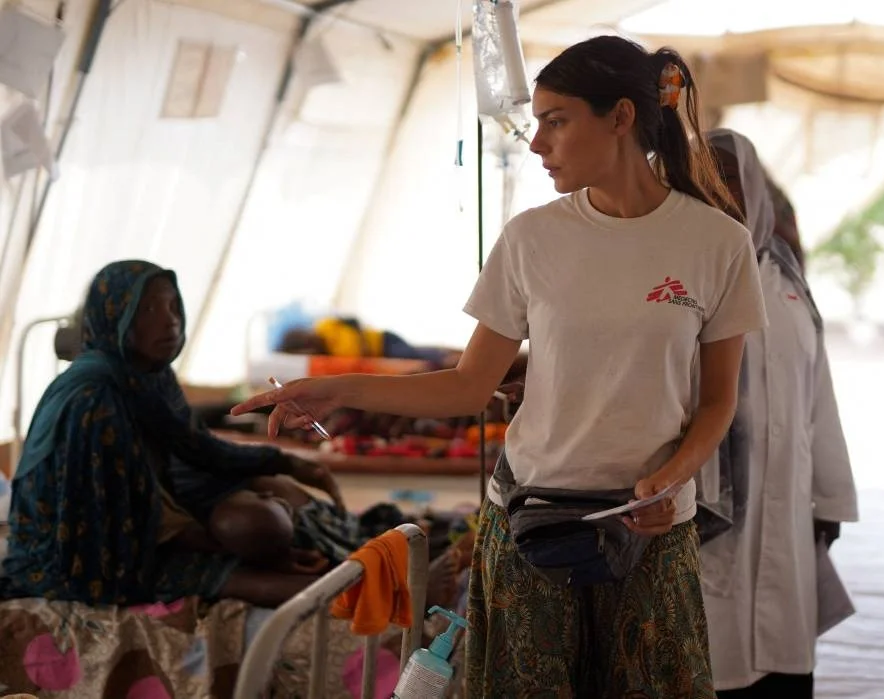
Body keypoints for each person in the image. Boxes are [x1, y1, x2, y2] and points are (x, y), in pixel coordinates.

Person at [232, 35, 768, 697]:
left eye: (556, 121)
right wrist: (334, 390)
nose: (537, 143)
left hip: (649, 533)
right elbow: (467, 385)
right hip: (529, 524)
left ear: (622, 117)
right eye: (536, 123)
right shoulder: (531, 238)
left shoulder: (716, 242)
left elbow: (718, 401)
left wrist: (672, 478)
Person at [0, 260, 464, 609]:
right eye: (149, 309)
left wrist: (284, 462)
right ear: (113, 316)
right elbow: (117, 519)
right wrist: (221, 545)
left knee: (274, 523)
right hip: (79, 555)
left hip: (140, 517)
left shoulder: (145, 376)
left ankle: (388, 564)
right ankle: (401, 593)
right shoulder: (93, 399)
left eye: (173, 306)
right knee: (245, 573)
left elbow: (196, 447)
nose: (170, 320)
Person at [702, 129, 859, 697]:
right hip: (710, 513)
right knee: (715, 659)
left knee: (783, 663)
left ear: (756, 190)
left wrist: (830, 500)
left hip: (788, 501)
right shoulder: (686, 276)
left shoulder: (787, 279)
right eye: (705, 178)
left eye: (729, 178)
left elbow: (819, 395)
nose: (718, 192)